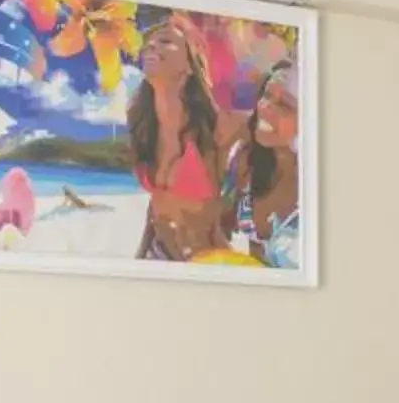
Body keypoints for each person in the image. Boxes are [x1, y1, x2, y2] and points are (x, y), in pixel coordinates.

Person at [126, 17, 230, 261]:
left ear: (189, 64)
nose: (151, 46)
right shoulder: (143, 124)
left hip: (202, 261)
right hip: (158, 255)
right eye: (149, 43)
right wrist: (139, 257)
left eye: (165, 41)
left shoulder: (215, 127)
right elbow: (158, 204)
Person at [223, 58, 303, 268]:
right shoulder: (246, 159)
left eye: (284, 105)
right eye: (266, 95)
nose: (266, 108)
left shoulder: (318, 187)